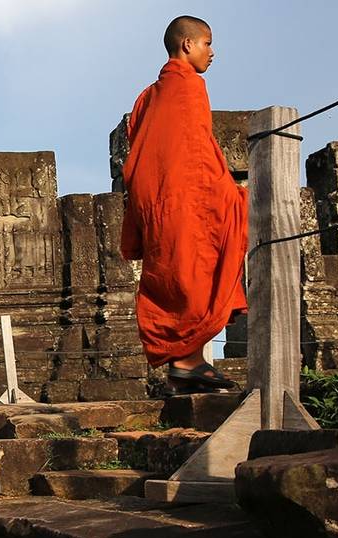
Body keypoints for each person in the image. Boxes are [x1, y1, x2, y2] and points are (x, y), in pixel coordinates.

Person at [120, 15, 247, 393]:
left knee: (175, 274)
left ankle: (187, 363)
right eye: (208, 43)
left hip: (157, 203)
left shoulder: (148, 96)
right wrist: (226, 193)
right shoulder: (189, 87)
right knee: (192, 272)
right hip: (186, 201)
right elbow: (196, 154)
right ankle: (188, 361)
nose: (212, 52)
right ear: (188, 45)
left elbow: (144, 150)